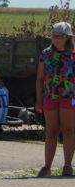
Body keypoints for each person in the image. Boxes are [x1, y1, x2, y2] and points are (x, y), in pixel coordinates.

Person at [35, 21, 75, 177]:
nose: (56, 39)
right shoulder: (45, 54)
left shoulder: (73, 54)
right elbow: (39, 78)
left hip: (69, 96)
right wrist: (39, 100)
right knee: (51, 131)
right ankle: (47, 166)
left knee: (68, 130)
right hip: (49, 96)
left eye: (60, 36)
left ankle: (67, 165)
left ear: (68, 37)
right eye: (54, 36)